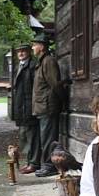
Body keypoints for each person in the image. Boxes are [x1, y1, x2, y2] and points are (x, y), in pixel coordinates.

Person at [31, 33, 63, 177]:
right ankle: (47, 165)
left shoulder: (48, 61)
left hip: (48, 107)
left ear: (41, 46)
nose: (33, 47)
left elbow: (55, 84)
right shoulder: (42, 61)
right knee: (45, 139)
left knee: (49, 139)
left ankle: (50, 166)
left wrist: (60, 101)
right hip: (42, 107)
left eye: (35, 44)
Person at [11, 42, 40, 174]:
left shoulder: (33, 65)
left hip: (29, 105)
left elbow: (35, 88)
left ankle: (34, 163)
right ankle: (30, 162)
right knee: (25, 135)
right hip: (21, 106)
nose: (21, 53)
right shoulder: (20, 66)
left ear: (29, 52)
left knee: (32, 135)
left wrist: (33, 106)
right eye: (19, 52)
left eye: (23, 51)